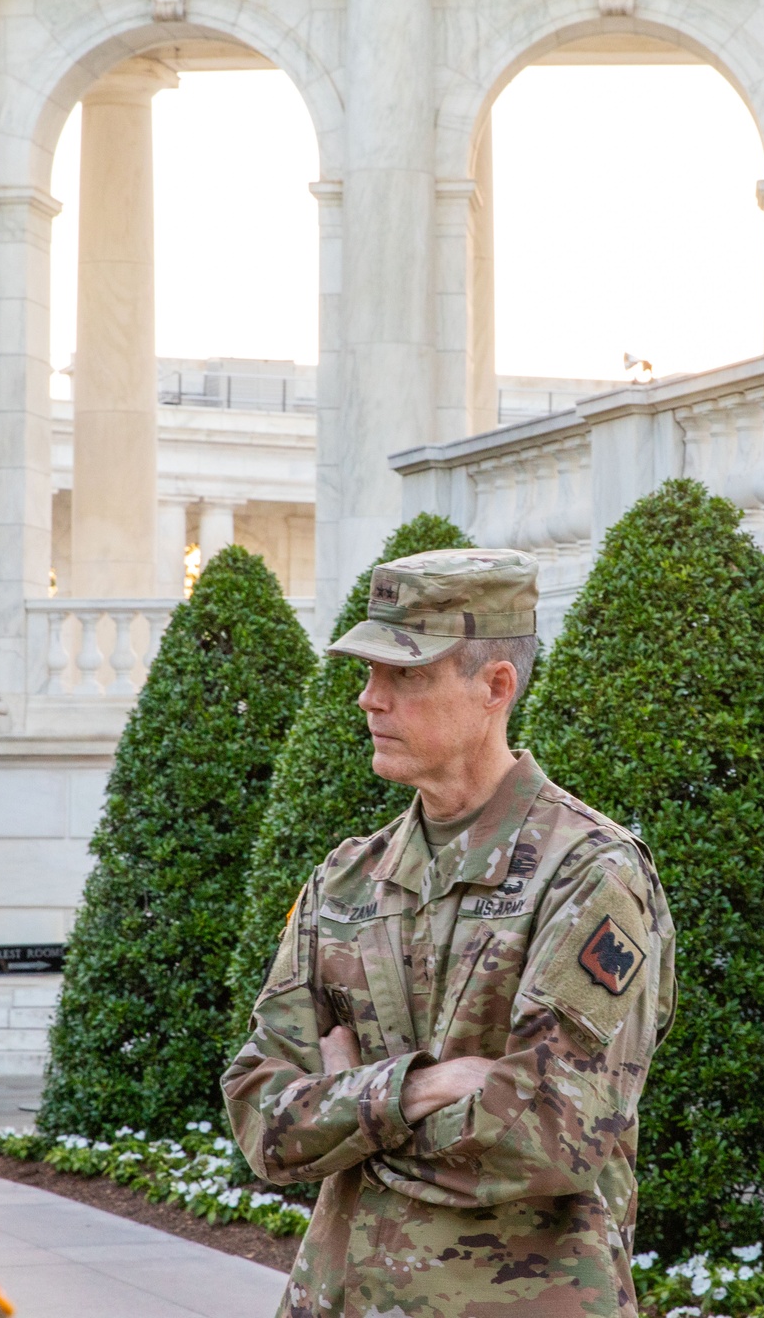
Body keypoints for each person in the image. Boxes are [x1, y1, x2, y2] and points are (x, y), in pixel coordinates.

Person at [222, 548, 676, 1318]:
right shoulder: (346, 879)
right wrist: (421, 1086)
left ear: (495, 686)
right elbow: (262, 1120)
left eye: (406, 675)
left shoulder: (589, 874)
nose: (370, 700)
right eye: (367, 674)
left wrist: (346, 1101)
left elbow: (546, 1135)